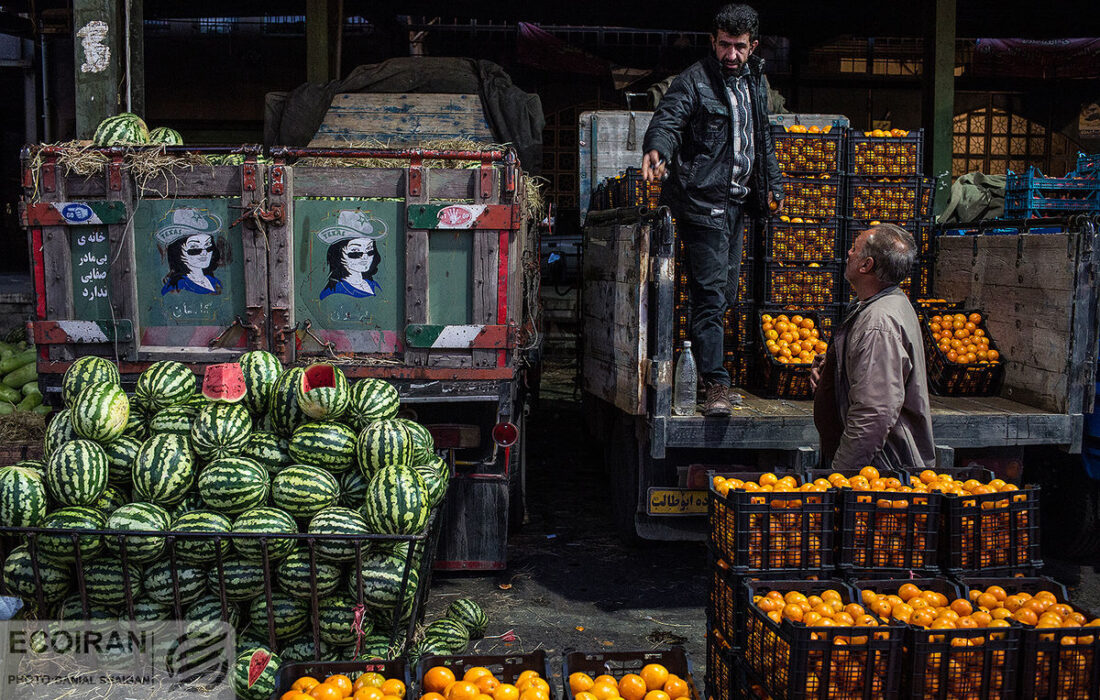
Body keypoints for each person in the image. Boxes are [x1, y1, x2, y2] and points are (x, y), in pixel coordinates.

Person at [642, 3, 784, 417]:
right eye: (724, 45)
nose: (731, 55)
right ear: (713, 41)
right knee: (709, 295)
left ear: (753, 45)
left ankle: (708, 371)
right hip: (701, 206)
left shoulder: (756, 82)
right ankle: (716, 386)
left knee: (723, 294)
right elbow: (668, 119)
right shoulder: (694, 81)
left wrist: (773, 183)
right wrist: (658, 148)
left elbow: (763, 139)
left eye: (739, 47)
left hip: (737, 207)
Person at [810, 224, 936, 472]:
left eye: (854, 249)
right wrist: (836, 371)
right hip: (874, 466)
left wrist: (841, 476)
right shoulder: (882, 304)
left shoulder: (879, 324)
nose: (848, 252)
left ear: (866, 265)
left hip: (878, 471)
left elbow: (873, 414)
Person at [316, 209, 387, 300]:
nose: (365, 257)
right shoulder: (333, 293)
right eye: (356, 253)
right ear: (340, 255)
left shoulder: (372, 284)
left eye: (370, 251)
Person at [157, 208, 226, 295]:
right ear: (179, 252)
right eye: (195, 248)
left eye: (208, 246)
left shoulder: (214, 281)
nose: (204, 253)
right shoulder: (177, 286)